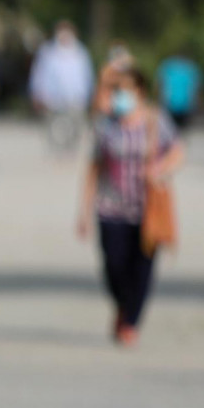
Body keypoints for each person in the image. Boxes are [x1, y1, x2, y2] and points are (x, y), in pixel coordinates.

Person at [76, 66, 184, 347]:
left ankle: (131, 322)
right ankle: (122, 304)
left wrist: (159, 169)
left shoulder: (155, 121)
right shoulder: (105, 125)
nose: (120, 96)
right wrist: (83, 212)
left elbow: (178, 151)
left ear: (140, 93)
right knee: (113, 266)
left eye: (126, 90)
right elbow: (93, 169)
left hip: (146, 209)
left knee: (142, 270)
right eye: (116, 91)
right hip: (110, 207)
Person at [28, 20, 94, 156]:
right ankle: (57, 152)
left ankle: (70, 151)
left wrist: (89, 95)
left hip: (75, 97)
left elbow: (87, 76)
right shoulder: (47, 52)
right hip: (52, 97)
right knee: (54, 127)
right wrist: (37, 93)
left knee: (74, 126)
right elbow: (39, 74)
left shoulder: (81, 52)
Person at [156, 53, 203, 129]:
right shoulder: (190, 67)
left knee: (173, 128)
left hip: (181, 104)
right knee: (175, 128)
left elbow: (159, 84)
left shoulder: (168, 66)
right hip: (176, 103)